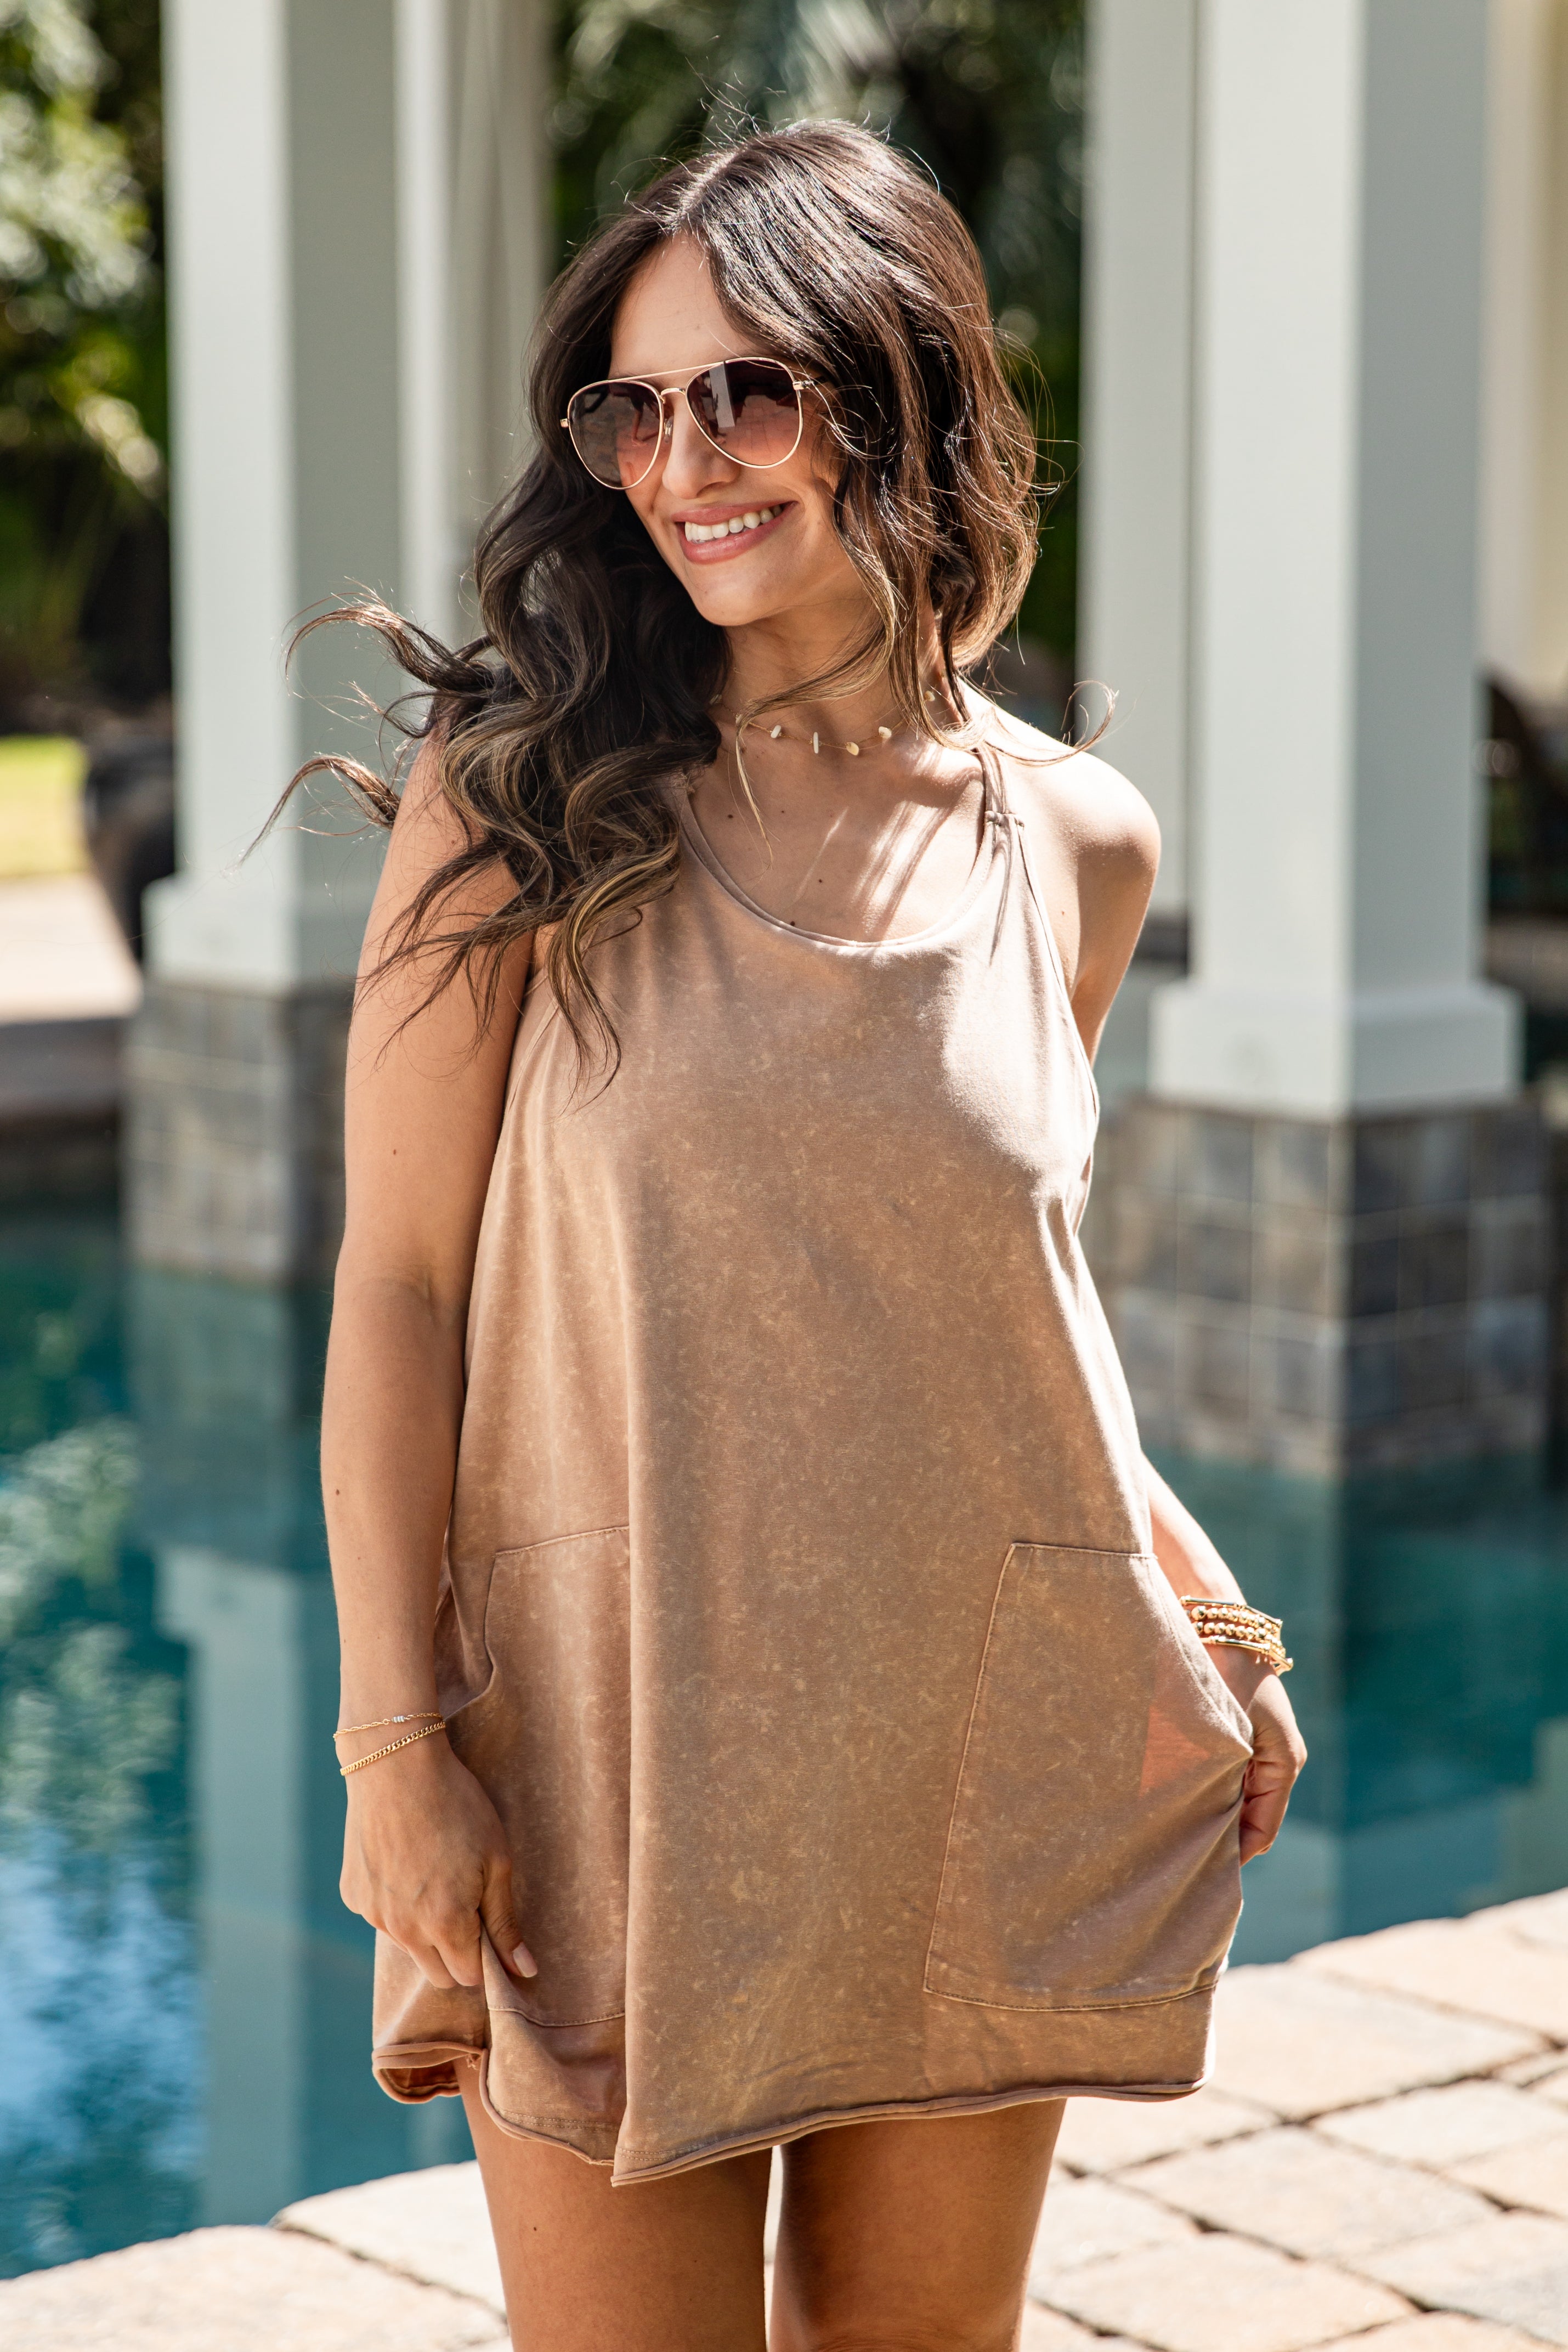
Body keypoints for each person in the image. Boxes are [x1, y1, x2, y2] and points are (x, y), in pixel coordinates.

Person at [315, 122, 1306, 2352]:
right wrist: (401, 1744)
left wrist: (1191, 1590)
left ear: (903, 393)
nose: (684, 462)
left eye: (746, 390)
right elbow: (397, 1288)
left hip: (962, 1723)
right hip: (596, 1734)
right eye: (635, 408)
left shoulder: (1075, 839)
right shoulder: (520, 794)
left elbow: (972, 1297)